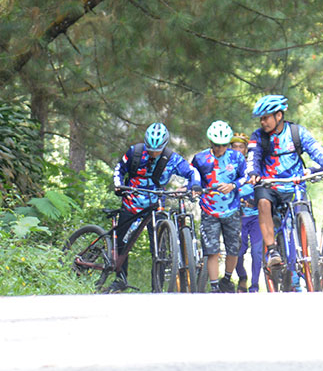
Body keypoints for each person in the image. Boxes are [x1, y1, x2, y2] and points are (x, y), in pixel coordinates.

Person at [246, 94, 323, 270]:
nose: (262, 122)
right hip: (269, 184)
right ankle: (272, 250)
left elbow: (316, 150)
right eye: (261, 119)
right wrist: (253, 173)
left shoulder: (297, 132)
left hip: (294, 185)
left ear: (278, 116)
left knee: (303, 213)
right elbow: (253, 157)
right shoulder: (258, 136)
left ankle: (310, 248)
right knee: (263, 203)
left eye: (266, 118)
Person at [111, 122, 201, 293]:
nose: (153, 153)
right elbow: (119, 169)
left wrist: (194, 185)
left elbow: (192, 172)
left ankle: (157, 287)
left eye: (157, 150)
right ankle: (120, 279)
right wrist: (118, 185)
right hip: (132, 203)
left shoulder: (171, 159)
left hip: (156, 206)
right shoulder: (135, 152)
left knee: (160, 248)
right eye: (150, 149)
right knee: (122, 242)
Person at [189, 120, 248, 293]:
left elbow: (245, 177)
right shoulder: (200, 159)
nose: (219, 149)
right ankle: (214, 286)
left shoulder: (236, 157)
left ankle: (227, 279)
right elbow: (193, 178)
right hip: (210, 210)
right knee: (212, 250)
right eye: (216, 145)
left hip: (232, 209)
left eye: (223, 145)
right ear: (210, 143)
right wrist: (193, 189)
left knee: (233, 248)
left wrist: (233, 185)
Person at [229, 132, 259, 292]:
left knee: (257, 251)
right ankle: (242, 277)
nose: (238, 150)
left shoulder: (253, 166)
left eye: (241, 147)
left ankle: (255, 286)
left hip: (255, 215)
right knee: (237, 251)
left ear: (246, 149)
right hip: (237, 215)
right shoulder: (228, 166)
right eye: (234, 147)